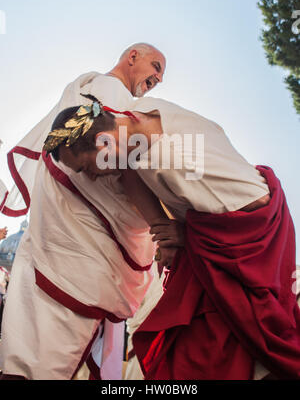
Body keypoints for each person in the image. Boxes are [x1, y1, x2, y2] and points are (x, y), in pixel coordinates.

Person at [44, 94, 300, 380]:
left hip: (250, 243)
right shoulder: (133, 120)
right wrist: (161, 225)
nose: (90, 177)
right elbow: (128, 171)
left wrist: (187, 232)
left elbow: (254, 205)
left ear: (104, 143)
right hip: (211, 230)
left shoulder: (177, 162)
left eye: (85, 167)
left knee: (238, 343)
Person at [0, 43, 178, 381]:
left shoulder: (85, 89)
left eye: (162, 74)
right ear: (132, 57)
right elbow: (124, 161)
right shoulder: (106, 91)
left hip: (55, 245)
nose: (158, 77)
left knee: (30, 357)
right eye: (155, 66)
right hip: (76, 251)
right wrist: (161, 224)